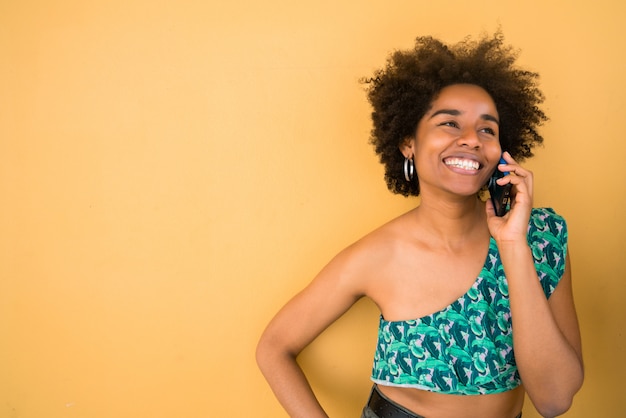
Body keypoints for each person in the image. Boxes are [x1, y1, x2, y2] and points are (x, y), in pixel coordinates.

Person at [256, 31, 583, 418]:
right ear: (408, 142)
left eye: (487, 129)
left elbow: (554, 400)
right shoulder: (377, 255)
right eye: (449, 123)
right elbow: (274, 347)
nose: (472, 140)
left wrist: (513, 246)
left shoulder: (540, 238)